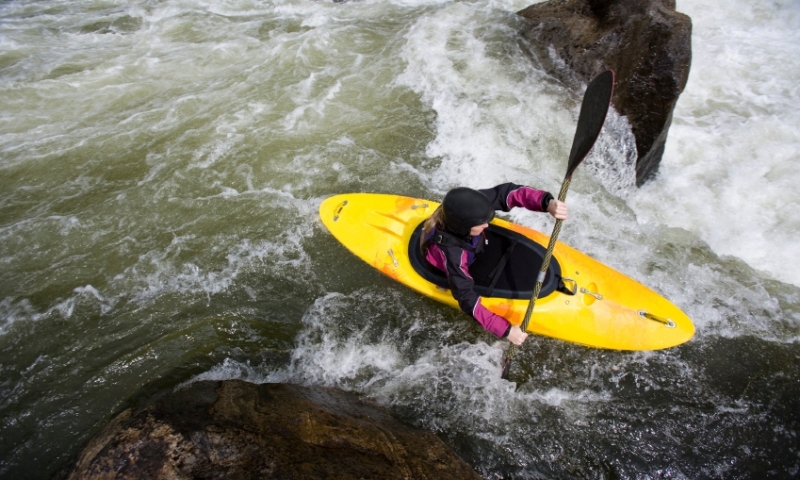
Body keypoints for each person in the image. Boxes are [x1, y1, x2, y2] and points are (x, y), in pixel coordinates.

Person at [420, 183, 568, 345]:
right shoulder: (452, 254)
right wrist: (506, 330)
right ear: (463, 227)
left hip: (472, 246)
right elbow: (466, 299)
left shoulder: (469, 208)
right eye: (481, 223)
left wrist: (547, 203)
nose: (487, 225)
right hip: (452, 267)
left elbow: (508, 193)